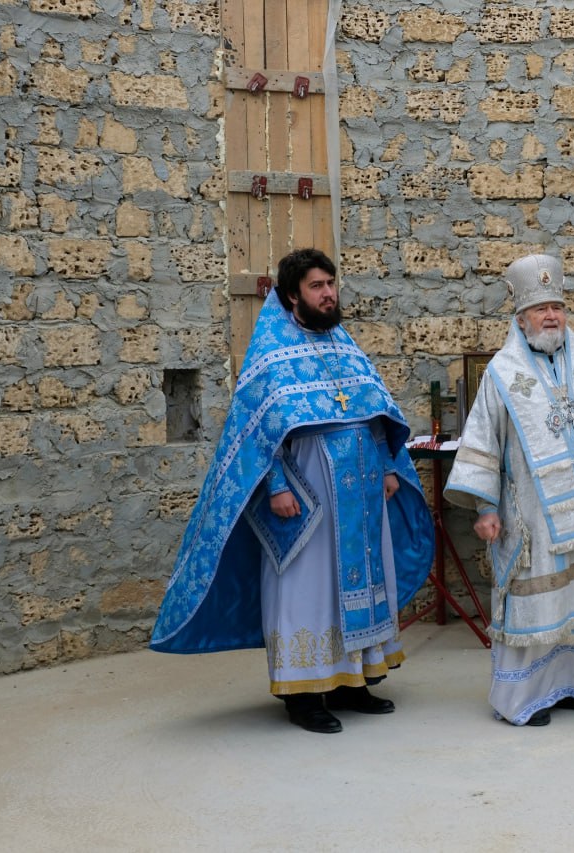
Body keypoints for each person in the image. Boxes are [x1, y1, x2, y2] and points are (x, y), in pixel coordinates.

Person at [150, 248, 434, 733]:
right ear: (291, 296)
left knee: (362, 581)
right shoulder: (269, 354)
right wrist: (277, 486)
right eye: (316, 287)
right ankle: (303, 696)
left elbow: (377, 414)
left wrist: (390, 465)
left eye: (330, 284)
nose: (328, 294)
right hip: (308, 496)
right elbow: (257, 432)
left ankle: (352, 681)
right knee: (307, 591)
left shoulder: (345, 345)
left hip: (362, 494)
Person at [444, 253, 574, 727]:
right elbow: (483, 441)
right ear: (521, 319)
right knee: (540, 600)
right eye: (542, 310)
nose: (552, 316)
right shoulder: (501, 373)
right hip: (531, 515)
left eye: (557, 306)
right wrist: (485, 507)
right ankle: (528, 696)